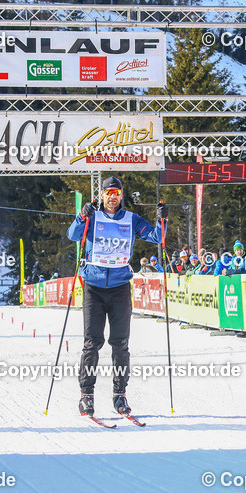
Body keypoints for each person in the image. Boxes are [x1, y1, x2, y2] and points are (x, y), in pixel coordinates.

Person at [67, 176, 165, 417]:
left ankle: (119, 395)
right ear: (101, 194)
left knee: (120, 345)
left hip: (120, 287)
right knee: (92, 344)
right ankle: (86, 396)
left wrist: (162, 219)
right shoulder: (92, 216)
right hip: (94, 287)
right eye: (108, 192)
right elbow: (72, 235)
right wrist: (82, 215)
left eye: (117, 193)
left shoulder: (131, 219)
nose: (112, 196)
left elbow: (156, 237)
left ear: (121, 196)